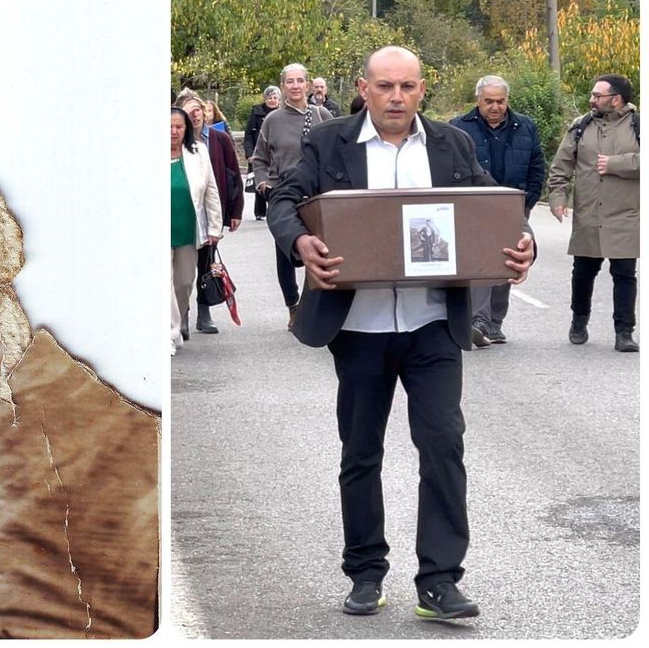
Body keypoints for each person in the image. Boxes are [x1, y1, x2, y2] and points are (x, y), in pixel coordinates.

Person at [267, 46, 535, 620]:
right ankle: (365, 572)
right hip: (359, 328)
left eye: (407, 87)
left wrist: (523, 240)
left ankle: (439, 581)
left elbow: (494, 205)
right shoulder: (329, 141)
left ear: (421, 90)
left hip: (433, 325)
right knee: (361, 452)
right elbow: (286, 197)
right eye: (385, 86)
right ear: (363, 88)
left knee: (443, 446)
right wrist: (298, 241)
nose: (396, 97)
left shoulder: (451, 145)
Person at [546, 73, 640, 352]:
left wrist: (616, 163)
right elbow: (560, 167)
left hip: (626, 213)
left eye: (597, 96)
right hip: (588, 213)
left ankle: (624, 332)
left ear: (616, 99)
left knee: (624, 273)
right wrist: (557, 197)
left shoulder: (639, 125)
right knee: (583, 272)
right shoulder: (580, 126)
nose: (591, 100)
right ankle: (579, 320)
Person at [450, 75, 545, 346]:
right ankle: (477, 319)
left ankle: (494, 322)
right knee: (481, 259)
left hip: (513, 204)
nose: (495, 107)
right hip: (474, 205)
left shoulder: (525, 126)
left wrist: (527, 202)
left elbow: (537, 166)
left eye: (500, 101)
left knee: (508, 258)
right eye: (489, 101)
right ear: (478, 100)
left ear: (507, 101)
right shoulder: (459, 127)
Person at [251, 63, 334, 329]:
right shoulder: (272, 120)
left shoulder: (322, 115)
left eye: (300, 81)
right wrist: (263, 182)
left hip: (315, 196)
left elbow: (338, 149)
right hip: (283, 195)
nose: (296, 86)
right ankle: (293, 307)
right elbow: (260, 157)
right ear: (283, 86)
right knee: (286, 254)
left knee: (319, 249)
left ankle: (315, 306)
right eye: (290, 81)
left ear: (308, 85)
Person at [178, 93, 244, 334]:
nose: (196, 114)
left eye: (199, 109)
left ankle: (203, 311)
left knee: (206, 264)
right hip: (184, 214)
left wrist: (235, 210)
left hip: (209, 213)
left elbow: (233, 174)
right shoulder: (173, 142)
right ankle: (181, 315)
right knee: (181, 269)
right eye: (190, 110)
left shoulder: (219, 139)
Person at [171, 106, 223, 342]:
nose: (173, 132)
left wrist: (214, 226)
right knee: (163, 283)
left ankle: (180, 318)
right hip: (158, 232)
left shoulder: (198, 152)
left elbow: (211, 190)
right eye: (169, 127)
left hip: (187, 229)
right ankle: (170, 332)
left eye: (179, 127)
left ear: (187, 129)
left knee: (183, 282)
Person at [244, 85, 282, 220]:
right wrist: (249, 154)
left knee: (274, 182)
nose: (272, 100)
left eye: (275, 98)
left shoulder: (282, 113)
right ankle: (260, 211)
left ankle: (275, 208)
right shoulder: (256, 112)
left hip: (276, 153)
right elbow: (248, 135)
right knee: (260, 182)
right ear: (265, 99)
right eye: (269, 98)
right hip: (258, 152)